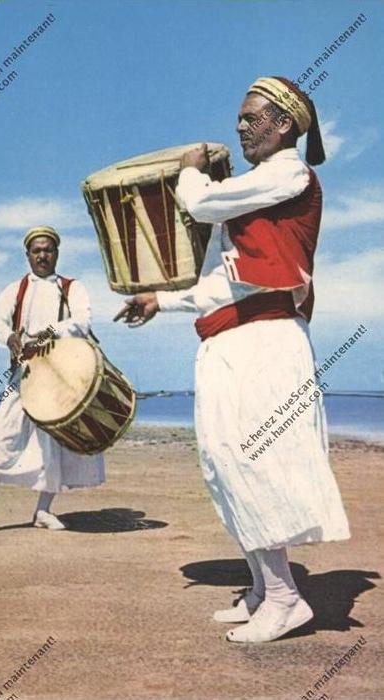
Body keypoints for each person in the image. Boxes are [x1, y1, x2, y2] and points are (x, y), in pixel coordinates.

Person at [115, 77, 350, 642]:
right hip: (230, 339)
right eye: (240, 118)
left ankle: (288, 599)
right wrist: (160, 299)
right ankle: (265, 589)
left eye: (251, 117)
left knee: (256, 463)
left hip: (267, 342)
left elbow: (196, 200)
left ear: (284, 125)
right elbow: (219, 285)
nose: (240, 126)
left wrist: (191, 167)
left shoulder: (289, 173)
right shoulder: (253, 190)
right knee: (227, 466)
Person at [0, 225, 105, 530]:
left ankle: (43, 511)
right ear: (27, 255)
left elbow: (82, 321)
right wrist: (9, 336)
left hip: (61, 377)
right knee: (2, 434)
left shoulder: (72, 287)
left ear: (56, 253)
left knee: (52, 442)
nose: (42, 255)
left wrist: (48, 334)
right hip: (22, 375)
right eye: (36, 250)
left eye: (47, 249)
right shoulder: (16, 289)